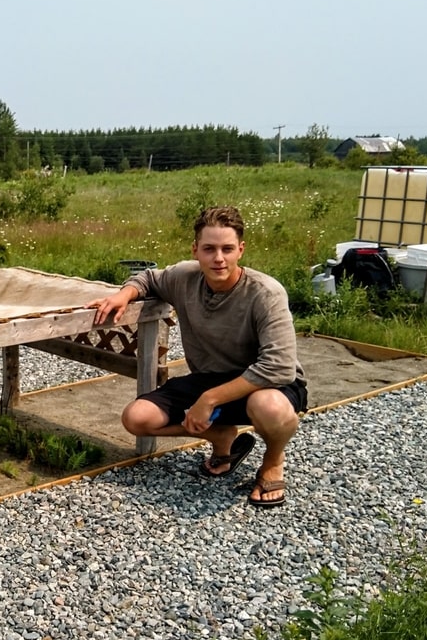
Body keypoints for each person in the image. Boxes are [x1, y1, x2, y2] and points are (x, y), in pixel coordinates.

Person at [85, 206, 307, 508]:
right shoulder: (184, 277)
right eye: (209, 249)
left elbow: (279, 367)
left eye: (227, 249)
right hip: (210, 378)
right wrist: (122, 295)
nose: (219, 258)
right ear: (195, 250)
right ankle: (221, 436)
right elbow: (148, 278)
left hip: (267, 385)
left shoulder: (266, 294)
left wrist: (209, 400)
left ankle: (273, 460)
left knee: (268, 407)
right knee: (137, 418)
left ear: (241, 250)